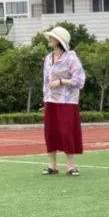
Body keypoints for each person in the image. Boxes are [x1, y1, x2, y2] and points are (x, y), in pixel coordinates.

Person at [41, 26, 86, 176]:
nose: (49, 39)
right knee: (50, 132)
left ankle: (70, 166)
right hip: (51, 101)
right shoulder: (48, 58)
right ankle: (52, 166)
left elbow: (80, 81)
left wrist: (61, 81)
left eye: (52, 37)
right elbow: (46, 81)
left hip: (68, 101)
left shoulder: (71, 58)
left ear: (59, 41)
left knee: (67, 132)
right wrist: (45, 98)